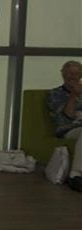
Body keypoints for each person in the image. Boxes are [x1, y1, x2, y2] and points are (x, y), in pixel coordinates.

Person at [48, 60, 82, 189]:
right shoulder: (55, 94)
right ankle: (75, 175)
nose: (72, 76)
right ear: (63, 74)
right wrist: (74, 94)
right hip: (68, 129)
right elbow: (68, 116)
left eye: (76, 73)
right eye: (69, 73)